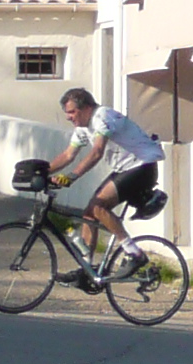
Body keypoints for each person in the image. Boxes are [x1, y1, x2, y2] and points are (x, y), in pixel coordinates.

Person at [44, 88, 164, 285]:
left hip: (142, 166)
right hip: (126, 168)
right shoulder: (83, 127)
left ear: (87, 108)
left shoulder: (102, 116)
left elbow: (97, 152)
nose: (69, 117)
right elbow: (68, 155)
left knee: (99, 206)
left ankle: (134, 253)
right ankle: (86, 270)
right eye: (67, 113)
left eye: (72, 112)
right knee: (89, 214)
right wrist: (43, 171)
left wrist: (72, 176)